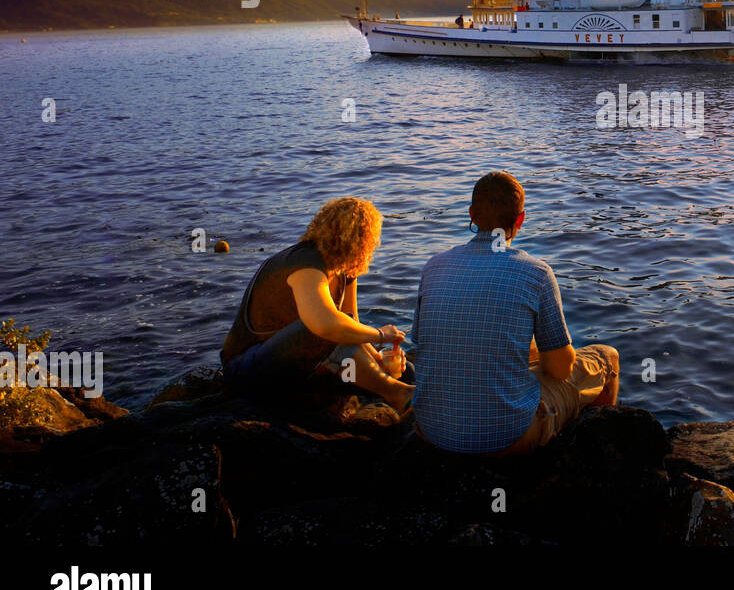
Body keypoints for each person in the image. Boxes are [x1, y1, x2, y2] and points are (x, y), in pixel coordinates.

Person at [408, 172, 619, 455]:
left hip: (431, 429)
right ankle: (595, 460)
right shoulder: (536, 273)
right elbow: (559, 369)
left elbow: (422, 345)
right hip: (506, 437)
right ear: (520, 219)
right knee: (608, 358)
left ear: (472, 214)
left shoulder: (433, 267)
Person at [220, 197, 412, 409]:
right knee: (328, 327)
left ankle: (393, 388)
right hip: (248, 370)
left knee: (407, 371)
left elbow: (351, 326)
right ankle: (396, 393)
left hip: (302, 366)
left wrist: (379, 359)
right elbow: (324, 325)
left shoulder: (345, 269)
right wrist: (381, 335)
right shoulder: (305, 262)